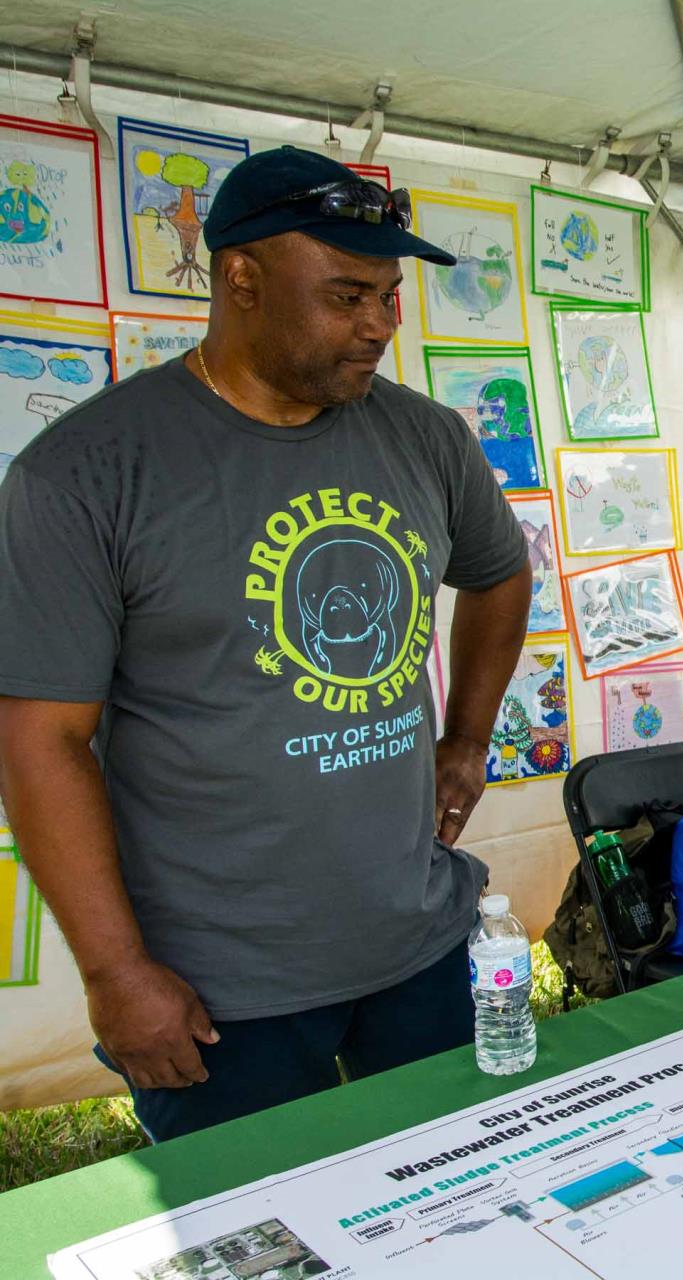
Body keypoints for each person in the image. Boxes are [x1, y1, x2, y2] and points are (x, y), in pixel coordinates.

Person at [0, 147, 532, 1140]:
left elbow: (498, 571)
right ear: (240, 277)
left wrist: (465, 737)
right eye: (347, 294)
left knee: (470, 1203)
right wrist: (117, 973)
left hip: (418, 939)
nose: (381, 323)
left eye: (389, 293)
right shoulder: (87, 473)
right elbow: (41, 740)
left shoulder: (423, 437)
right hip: (216, 988)